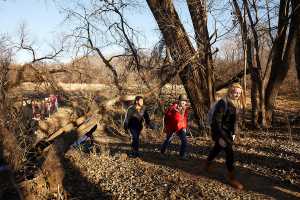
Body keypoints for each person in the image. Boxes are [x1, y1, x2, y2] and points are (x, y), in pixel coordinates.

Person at [204, 83, 245, 190]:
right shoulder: (223, 103)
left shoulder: (236, 103)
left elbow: (234, 121)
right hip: (219, 131)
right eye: (234, 92)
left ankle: (207, 163)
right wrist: (222, 137)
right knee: (229, 152)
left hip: (228, 132)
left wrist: (234, 134)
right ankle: (232, 178)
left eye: (238, 93)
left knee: (217, 148)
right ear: (229, 92)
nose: (236, 95)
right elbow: (216, 122)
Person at [161, 94, 189, 160]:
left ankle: (182, 155)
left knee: (184, 141)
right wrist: (166, 128)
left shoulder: (185, 109)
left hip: (181, 128)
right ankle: (162, 152)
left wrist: (184, 127)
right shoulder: (172, 108)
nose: (183, 102)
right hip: (172, 128)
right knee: (168, 140)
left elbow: (184, 119)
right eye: (182, 101)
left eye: (185, 101)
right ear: (179, 101)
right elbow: (167, 117)